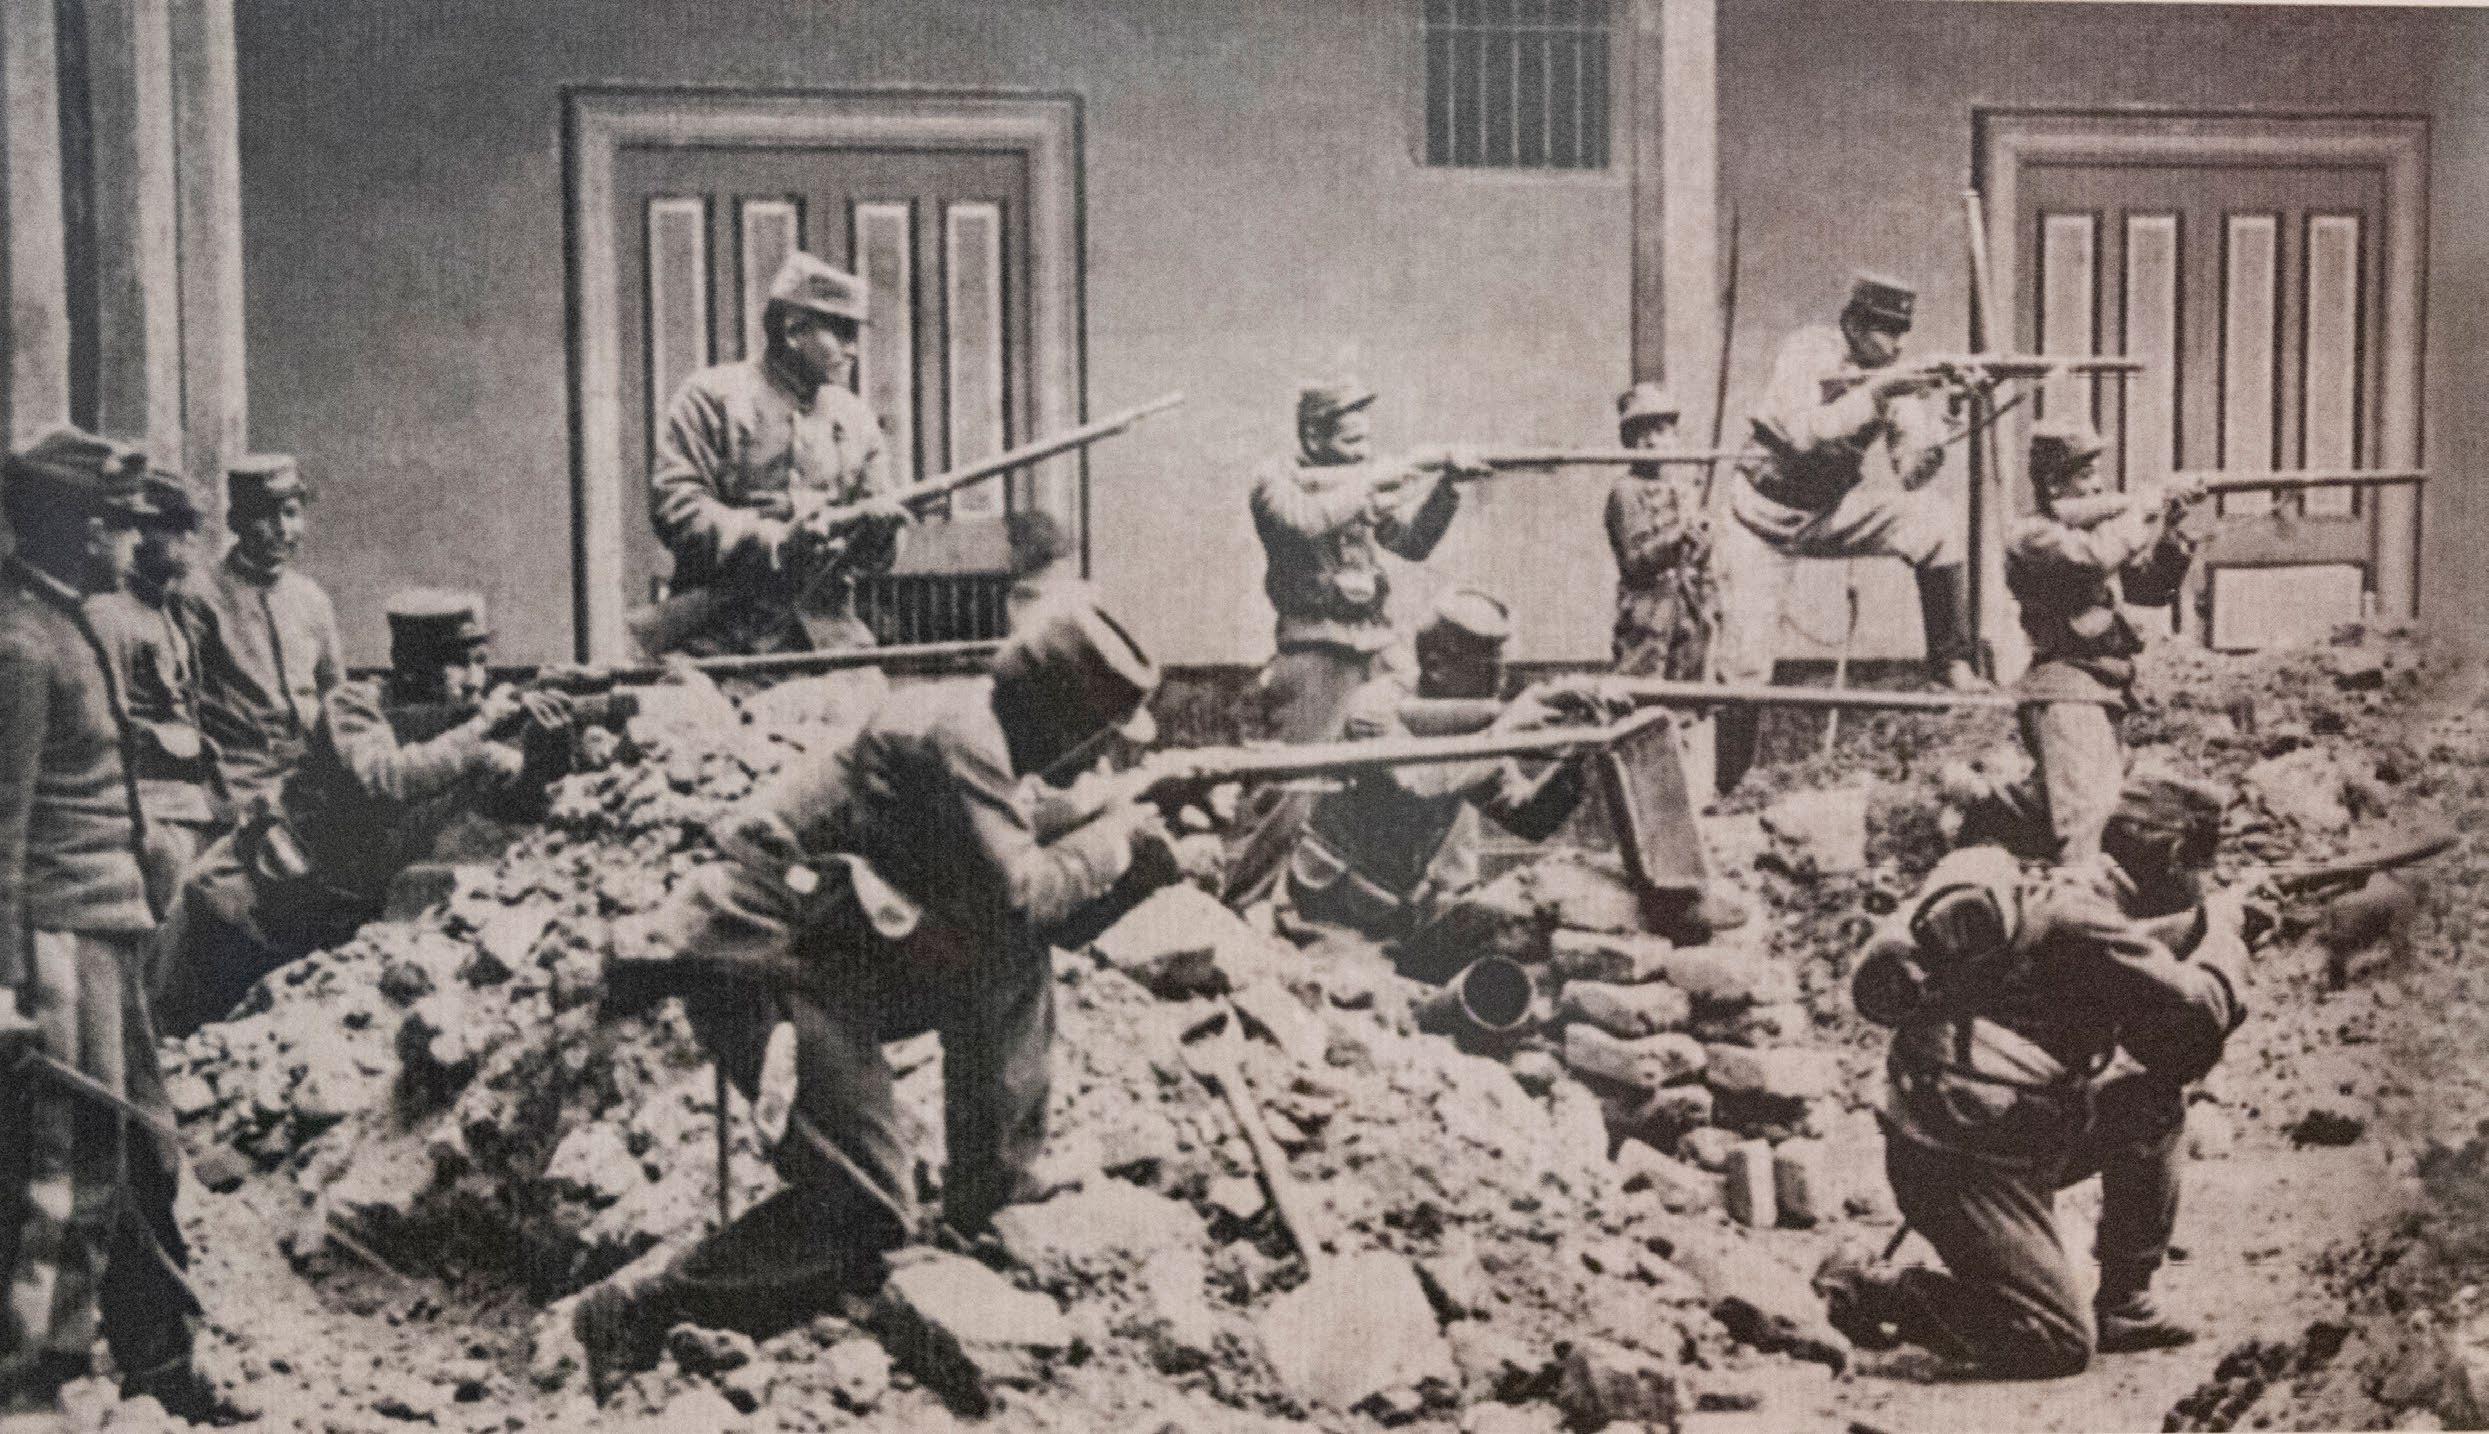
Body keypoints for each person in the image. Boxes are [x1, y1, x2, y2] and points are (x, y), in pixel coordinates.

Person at [574, 596, 1214, 1395]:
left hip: (839, 954)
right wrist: (1113, 841)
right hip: (763, 959)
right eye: (1100, 735)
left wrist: (1141, 869)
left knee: (1006, 961)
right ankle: (641, 1311)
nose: (1102, 757)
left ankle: (989, 1202)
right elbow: (1023, 895)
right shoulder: (957, 740)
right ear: (1060, 718)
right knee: (866, 1209)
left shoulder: (988, 741)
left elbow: (1033, 925)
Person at [1820, 769, 2248, 1377]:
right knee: (2053, 1342)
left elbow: (2155, 1027)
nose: (2201, 881)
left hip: (1993, 1133)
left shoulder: (2065, 891)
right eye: (2199, 866)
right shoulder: (2085, 917)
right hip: (1961, 1164)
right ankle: (1874, 1288)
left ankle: (2126, 1305)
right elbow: (2195, 1017)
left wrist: (2202, 928)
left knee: (2151, 1103)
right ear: (2176, 855)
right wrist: (2226, 937)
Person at [0, 427, 243, 1424]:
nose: (134, 538)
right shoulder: (20, 646)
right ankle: (33, 1381)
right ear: (72, 528)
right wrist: (5, 981)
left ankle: (159, 1360)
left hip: (110, 927)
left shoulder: (74, 624)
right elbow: (2, 830)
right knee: (67, 1166)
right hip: (57, 938)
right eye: (115, 521)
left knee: (143, 1149)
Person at [153, 590, 563, 1037]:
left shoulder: (463, 739)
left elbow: (519, 803)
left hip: (331, 924)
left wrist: (545, 758)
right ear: (412, 664)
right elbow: (388, 779)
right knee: (185, 1030)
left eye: (481, 662)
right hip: (249, 898)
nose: (475, 680)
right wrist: (481, 727)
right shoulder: (354, 707)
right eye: (459, 663)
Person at [1712, 273, 1988, 792]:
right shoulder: (1809, 350)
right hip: (1758, 521)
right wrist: (1877, 391)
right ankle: (1730, 789)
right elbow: (1804, 432)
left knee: (1932, 521)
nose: (1898, 344)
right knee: (1744, 668)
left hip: (1825, 513)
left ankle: (1951, 664)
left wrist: (1950, 413)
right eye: (1887, 330)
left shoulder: (1893, 378)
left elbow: (1912, 475)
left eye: (1903, 332)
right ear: (1854, 324)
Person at [1281, 590, 1599, 949]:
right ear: (1435, 666)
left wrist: (1581, 752)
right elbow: (1420, 782)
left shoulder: (1476, 730)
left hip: (1396, 918)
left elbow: (1529, 818)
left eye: (1502, 669)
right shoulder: (1374, 707)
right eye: (1488, 670)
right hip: (1326, 914)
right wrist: (1505, 732)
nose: (1500, 685)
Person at [648, 252, 913, 657]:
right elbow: (679, 507)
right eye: (841, 332)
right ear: (793, 330)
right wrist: (777, 540)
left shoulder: (856, 419)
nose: (853, 350)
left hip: (828, 641)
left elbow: (877, 551)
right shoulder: (710, 398)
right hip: (717, 638)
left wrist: (879, 534)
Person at [1999, 419, 2203, 862]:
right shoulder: (2032, 536)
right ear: (2054, 483)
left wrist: (2168, 527)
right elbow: (2092, 560)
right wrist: (2140, 511)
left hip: (2103, 690)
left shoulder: (2094, 533)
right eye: (2086, 474)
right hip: (2068, 694)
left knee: (2099, 818)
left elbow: (2150, 591)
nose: (2099, 485)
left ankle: (2000, 821)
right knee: (2087, 834)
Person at [84, 467, 227, 919]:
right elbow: (109, 729)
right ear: (140, 533)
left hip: (192, 804)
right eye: (173, 527)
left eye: (191, 527)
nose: (188, 540)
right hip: (149, 809)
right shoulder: (109, 614)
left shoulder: (173, 612)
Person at [190, 453, 344, 814]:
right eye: (265, 515)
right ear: (236, 522)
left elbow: (335, 694)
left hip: (311, 779)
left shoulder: (312, 599)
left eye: (291, 513)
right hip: (237, 782)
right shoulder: (200, 597)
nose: (282, 529)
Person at [1604, 381, 1715, 681]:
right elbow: (1635, 561)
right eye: (1645, 434)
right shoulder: (1625, 492)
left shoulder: (1682, 488)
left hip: (1688, 607)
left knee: (1690, 693)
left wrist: (1701, 538)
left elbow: (1700, 558)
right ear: (1636, 441)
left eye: (1666, 432)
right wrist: (1677, 537)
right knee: (1644, 690)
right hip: (1648, 614)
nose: (1657, 442)